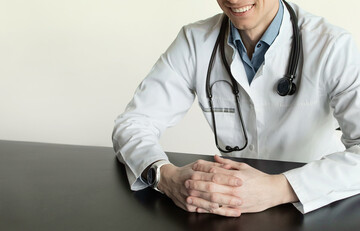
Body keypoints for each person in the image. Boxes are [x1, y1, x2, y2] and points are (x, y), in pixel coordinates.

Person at [112, 0, 360, 217]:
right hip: (230, 209)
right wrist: (164, 177)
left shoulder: (333, 46)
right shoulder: (195, 40)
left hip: (317, 205)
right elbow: (134, 122)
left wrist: (278, 188)